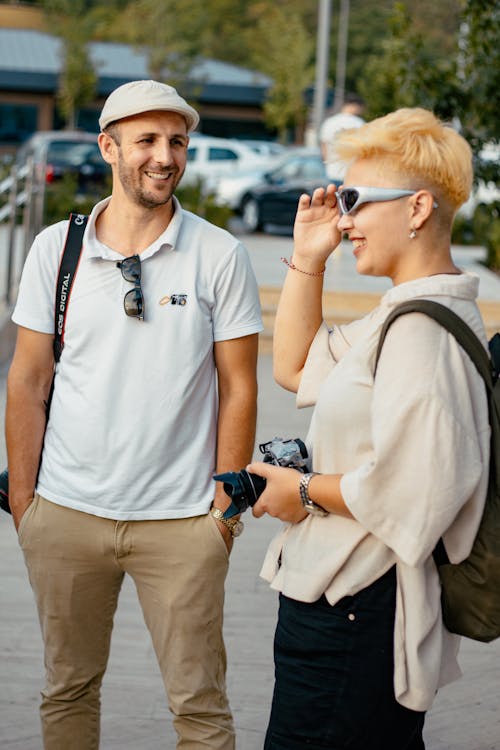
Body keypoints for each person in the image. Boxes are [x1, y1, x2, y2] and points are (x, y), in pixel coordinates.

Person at [6, 79, 263, 750]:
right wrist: (27, 501)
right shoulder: (55, 251)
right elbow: (29, 379)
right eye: (146, 140)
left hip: (183, 524)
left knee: (201, 711)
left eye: (176, 141)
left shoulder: (219, 253)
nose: (163, 156)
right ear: (109, 146)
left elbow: (239, 386)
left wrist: (223, 512)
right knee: (67, 691)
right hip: (65, 512)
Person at [248, 108, 490, 749]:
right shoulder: (406, 312)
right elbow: (297, 367)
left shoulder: (420, 332)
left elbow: (410, 494)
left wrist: (297, 492)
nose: (344, 217)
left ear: (416, 209)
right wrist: (308, 257)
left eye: (355, 200)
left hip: (358, 607)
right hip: (344, 602)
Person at [319, 93, 365, 184]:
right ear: (355, 105)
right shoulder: (359, 123)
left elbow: (324, 147)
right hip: (352, 174)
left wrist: (328, 164)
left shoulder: (329, 122)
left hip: (332, 172)